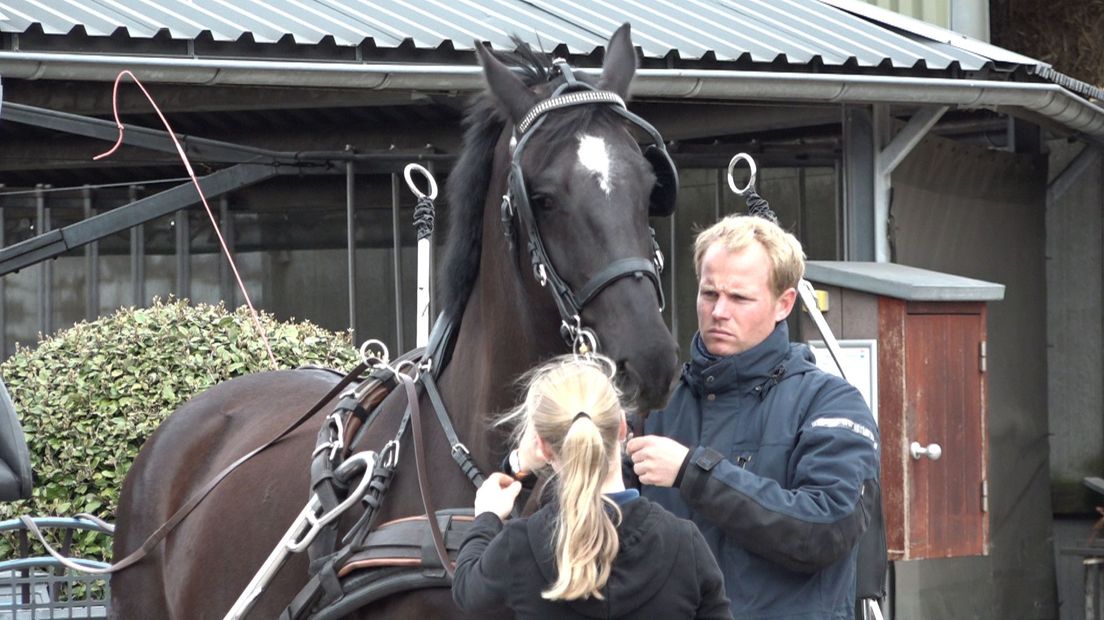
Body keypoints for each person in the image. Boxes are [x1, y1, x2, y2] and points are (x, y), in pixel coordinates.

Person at [626, 214, 881, 619]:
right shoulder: (656, 405)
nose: (718, 312)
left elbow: (825, 530)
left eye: (739, 298)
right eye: (709, 294)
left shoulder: (831, 404)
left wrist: (694, 473)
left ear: (784, 304)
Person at [452, 355, 732, 619]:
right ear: (623, 427)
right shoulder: (684, 544)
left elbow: (467, 590)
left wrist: (486, 517)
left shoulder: (519, 546)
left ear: (544, 449)